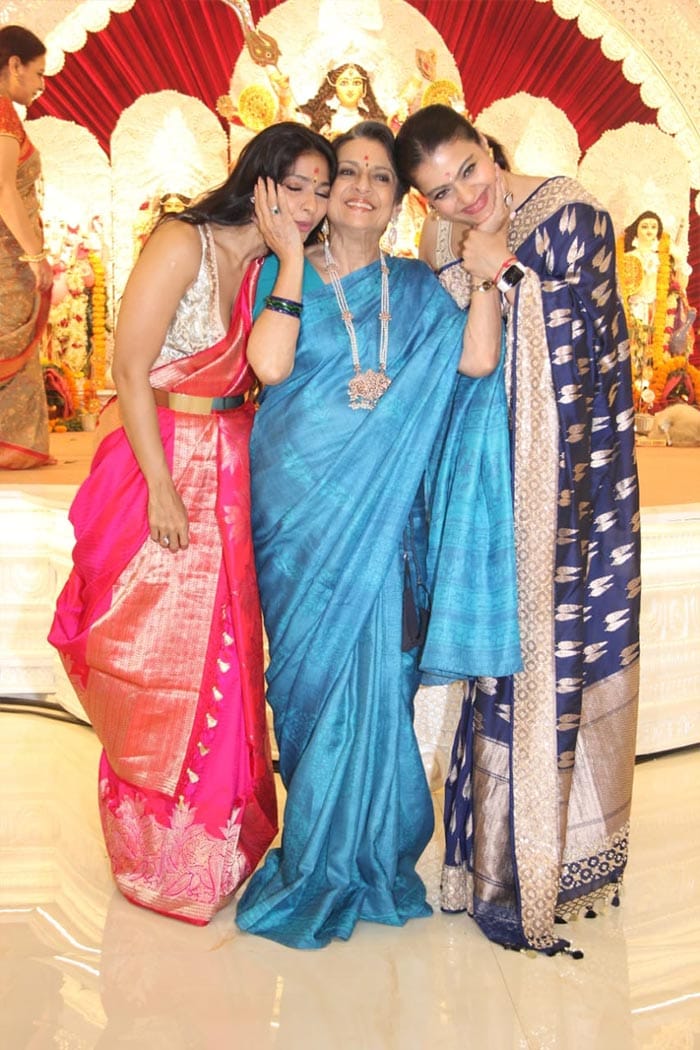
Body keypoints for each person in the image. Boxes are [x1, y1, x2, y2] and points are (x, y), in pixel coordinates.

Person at [235, 120, 521, 949]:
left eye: (379, 179)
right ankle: (317, 857)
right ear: (325, 195)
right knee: (310, 688)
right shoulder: (278, 275)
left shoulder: (416, 286)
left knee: (379, 687)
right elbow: (271, 368)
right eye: (346, 175)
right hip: (300, 518)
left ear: (400, 201)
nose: (361, 188)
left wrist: (487, 278)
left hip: (385, 523)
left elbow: (473, 363)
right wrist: (290, 258)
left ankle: (365, 854)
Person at [49, 123, 336, 925]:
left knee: (229, 652)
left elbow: (274, 371)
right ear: (261, 180)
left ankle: (216, 841)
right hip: (168, 454)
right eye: (299, 186)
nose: (310, 204)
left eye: (322, 189)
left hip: (237, 463)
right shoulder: (186, 240)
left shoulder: (272, 265)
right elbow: (128, 369)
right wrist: (161, 487)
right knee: (153, 650)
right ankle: (155, 852)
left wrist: (287, 259)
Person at [395, 104, 641, 954]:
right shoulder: (442, 244)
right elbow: (456, 361)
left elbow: (597, 352)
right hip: (483, 492)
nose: (465, 197)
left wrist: (509, 277)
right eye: (440, 192)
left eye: (469, 170)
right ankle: (478, 857)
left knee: (547, 655)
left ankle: (552, 858)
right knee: (490, 665)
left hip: (566, 485)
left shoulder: (571, 216)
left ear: (487, 149)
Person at [0, 25, 53, 469]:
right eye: (37, 73)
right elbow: (3, 189)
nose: (40, 84)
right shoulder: (1, 111)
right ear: (13, 65)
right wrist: (34, 255)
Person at [299, 63, 387, 138]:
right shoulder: (323, 121)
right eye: (344, 83)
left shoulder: (371, 122)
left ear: (364, 90)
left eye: (356, 83)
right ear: (334, 89)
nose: (350, 88)